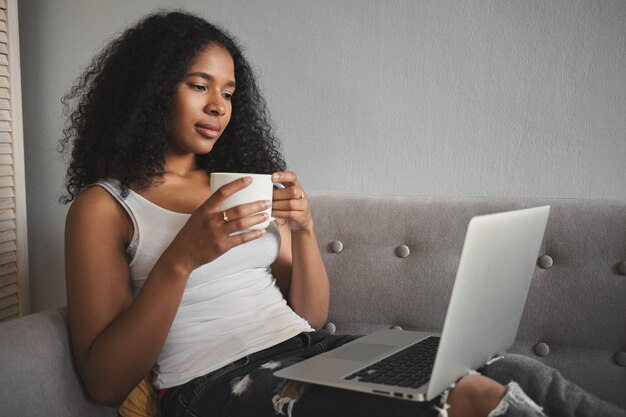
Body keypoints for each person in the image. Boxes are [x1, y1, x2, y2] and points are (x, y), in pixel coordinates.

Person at [59, 10, 625, 417]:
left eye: (229, 92)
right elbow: (105, 383)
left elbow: (308, 314)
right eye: (198, 86)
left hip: (307, 353)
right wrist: (180, 260)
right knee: (469, 399)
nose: (218, 107)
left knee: (517, 372)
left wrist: (303, 232)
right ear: (153, 90)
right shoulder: (106, 208)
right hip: (212, 385)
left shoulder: (235, 186)